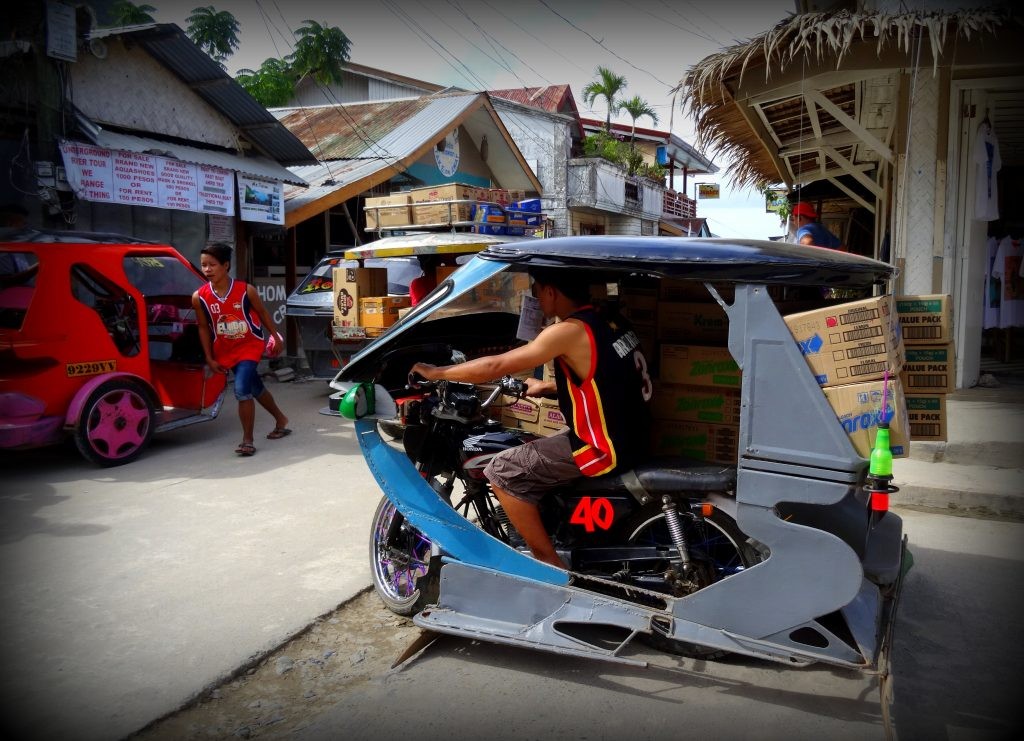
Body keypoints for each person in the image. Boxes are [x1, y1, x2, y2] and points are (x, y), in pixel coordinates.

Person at [410, 268, 653, 569]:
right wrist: (550, 387)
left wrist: (436, 372)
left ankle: (548, 567)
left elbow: (495, 365)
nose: (536, 299)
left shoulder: (569, 331)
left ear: (551, 291)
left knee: (501, 471)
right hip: (633, 434)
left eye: (537, 290)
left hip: (603, 447)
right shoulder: (609, 318)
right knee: (533, 449)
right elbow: (607, 375)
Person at [192, 243, 290, 457]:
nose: (207, 269)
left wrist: (275, 335)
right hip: (226, 350)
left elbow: (263, 313)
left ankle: (247, 440)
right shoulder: (199, 297)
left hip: (249, 346)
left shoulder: (246, 290)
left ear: (226, 265)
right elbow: (202, 327)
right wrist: (209, 357)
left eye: (212, 265)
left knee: (241, 388)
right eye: (203, 265)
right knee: (255, 387)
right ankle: (281, 420)